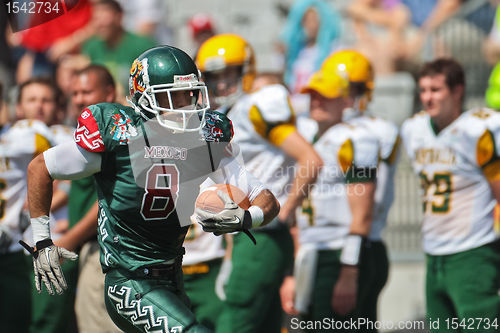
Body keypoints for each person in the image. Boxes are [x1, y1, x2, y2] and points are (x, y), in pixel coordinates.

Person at [24, 45, 280, 333]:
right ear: (145, 97)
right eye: (173, 96)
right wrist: (42, 240)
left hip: (172, 276)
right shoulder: (120, 132)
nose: (185, 105)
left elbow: (267, 199)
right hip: (129, 282)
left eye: (189, 94)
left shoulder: (205, 136)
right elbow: (40, 168)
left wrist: (248, 218)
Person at [196, 33, 323, 333]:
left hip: (261, 232)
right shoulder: (227, 113)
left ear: (246, 71)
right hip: (244, 235)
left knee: (235, 324)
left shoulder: (256, 106)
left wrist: (286, 211)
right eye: (214, 75)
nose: (221, 83)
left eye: (229, 73)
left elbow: (311, 160)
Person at [401, 58, 500, 333]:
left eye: (435, 90)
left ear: (457, 91)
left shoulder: (478, 130)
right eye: (423, 90)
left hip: (472, 252)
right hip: (434, 254)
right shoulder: (414, 130)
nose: (427, 98)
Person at [280, 57, 379, 332]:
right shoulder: (310, 139)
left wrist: (349, 270)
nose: (317, 102)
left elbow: (364, 212)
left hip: (339, 254)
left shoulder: (357, 138)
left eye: (326, 97)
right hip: (312, 252)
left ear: (346, 101)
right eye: (313, 96)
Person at [328, 49, 399, 324]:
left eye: (352, 89)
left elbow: (365, 194)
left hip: (361, 243)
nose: (345, 98)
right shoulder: (327, 130)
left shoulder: (375, 131)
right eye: (339, 89)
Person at [52, 64, 120, 333]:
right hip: (92, 250)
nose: (79, 99)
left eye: (87, 92)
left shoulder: (114, 135)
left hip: (105, 251)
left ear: (110, 93)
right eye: (75, 92)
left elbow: (110, 201)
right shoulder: (90, 133)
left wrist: (70, 239)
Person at [16, 77, 80, 333]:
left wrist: (38, 203)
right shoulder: (12, 137)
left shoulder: (67, 137)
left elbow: (71, 183)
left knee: (48, 323)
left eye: (46, 100)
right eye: (32, 100)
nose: (39, 107)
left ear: (58, 106)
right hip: (16, 245)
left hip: (56, 242)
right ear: (19, 106)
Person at [0, 81, 54, 333]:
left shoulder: (26, 135)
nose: (39, 106)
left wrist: (27, 208)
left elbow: (57, 167)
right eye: (32, 99)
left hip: (11, 243)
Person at [82, 0, 156, 100]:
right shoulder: (91, 47)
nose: (100, 24)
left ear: (119, 17)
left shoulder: (142, 46)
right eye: (96, 19)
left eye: (104, 18)